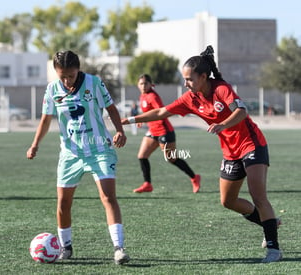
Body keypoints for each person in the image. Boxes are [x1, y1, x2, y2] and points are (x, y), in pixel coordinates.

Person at [121, 46, 282, 263]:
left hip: (252, 145)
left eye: (189, 79)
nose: (185, 83)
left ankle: (273, 248)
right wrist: (129, 120)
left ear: (203, 77)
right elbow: (161, 112)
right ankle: (268, 222)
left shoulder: (221, 89)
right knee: (228, 201)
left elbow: (241, 111)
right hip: (230, 152)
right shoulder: (190, 98)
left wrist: (221, 124)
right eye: (184, 79)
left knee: (258, 195)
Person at [26, 50, 130, 265]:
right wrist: (35, 144)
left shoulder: (94, 83)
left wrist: (119, 130)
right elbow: (46, 120)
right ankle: (66, 247)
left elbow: (111, 109)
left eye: (70, 76)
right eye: (61, 76)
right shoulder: (52, 89)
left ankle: (119, 248)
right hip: (70, 154)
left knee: (108, 197)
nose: (66, 80)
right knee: (63, 202)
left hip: (100, 149)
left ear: (78, 70)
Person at [132, 74, 201, 193]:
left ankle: (194, 178)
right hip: (153, 131)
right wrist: (142, 119)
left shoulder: (152, 96)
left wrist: (142, 119)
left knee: (172, 159)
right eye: (141, 84)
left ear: (150, 84)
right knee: (142, 156)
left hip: (164, 131)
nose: (143, 86)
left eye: (145, 83)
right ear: (138, 85)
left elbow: (161, 112)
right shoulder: (142, 96)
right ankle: (147, 184)